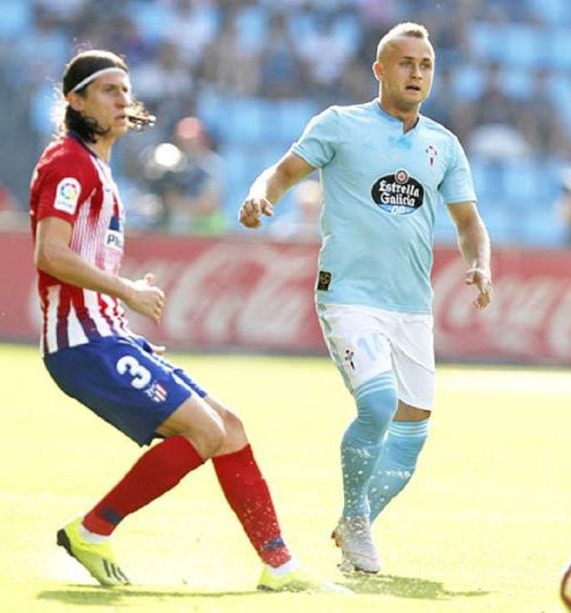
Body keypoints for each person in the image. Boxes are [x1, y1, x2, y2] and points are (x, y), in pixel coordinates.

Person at [30, 49, 345, 593]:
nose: (122, 100)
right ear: (75, 101)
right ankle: (93, 530)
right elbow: (49, 254)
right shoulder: (68, 162)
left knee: (229, 429)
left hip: (108, 336)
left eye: (126, 90)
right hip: (82, 344)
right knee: (203, 430)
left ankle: (279, 566)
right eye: (108, 91)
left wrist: (121, 301)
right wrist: (126, 289)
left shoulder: (98, 165)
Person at [238, 23, 493, 574]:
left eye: (425, 65)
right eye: (405, 64)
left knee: (413, 434)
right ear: (380, 70)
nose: (416, 74)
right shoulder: (340, 124)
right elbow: (282, 173)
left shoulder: (442, 144)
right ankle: (355, 516)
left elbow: (470, 222)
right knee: (378, 404)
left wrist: (479, 263)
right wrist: (261, 196)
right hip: (348, 293)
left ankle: (356, 523)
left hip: (412, 304)